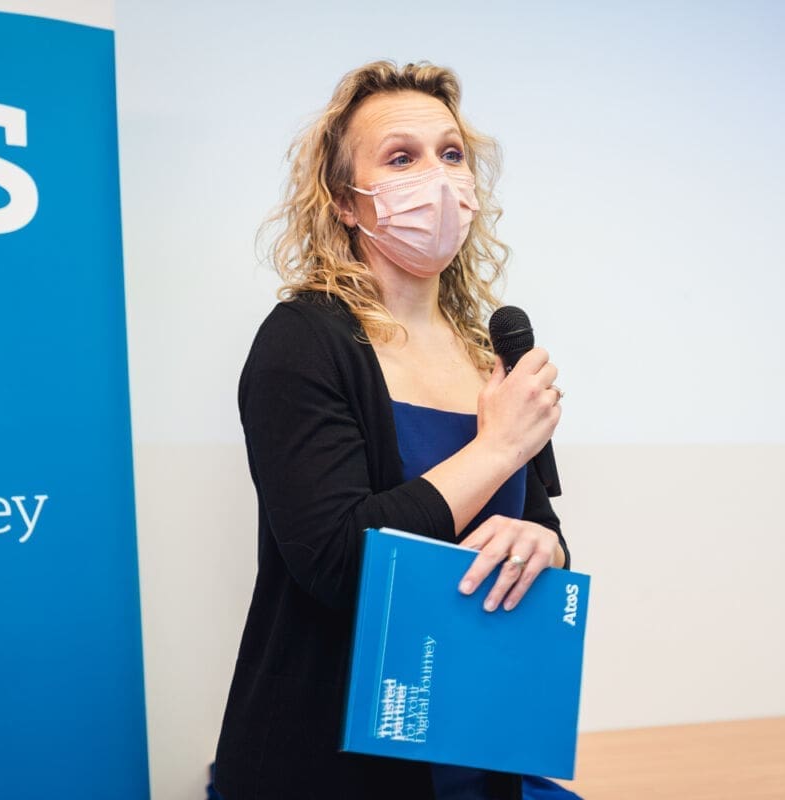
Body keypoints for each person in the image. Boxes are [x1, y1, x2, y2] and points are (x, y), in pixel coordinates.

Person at [210, 60, 582, 800]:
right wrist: (498, 447)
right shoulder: (302, 341)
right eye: (402, 158)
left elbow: (537, 529)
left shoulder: (486, 349)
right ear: (345, 202)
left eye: (452, 154)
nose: (438, 180)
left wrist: (547, 546)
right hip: (332, 769)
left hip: (481, 748)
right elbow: (338, 562)